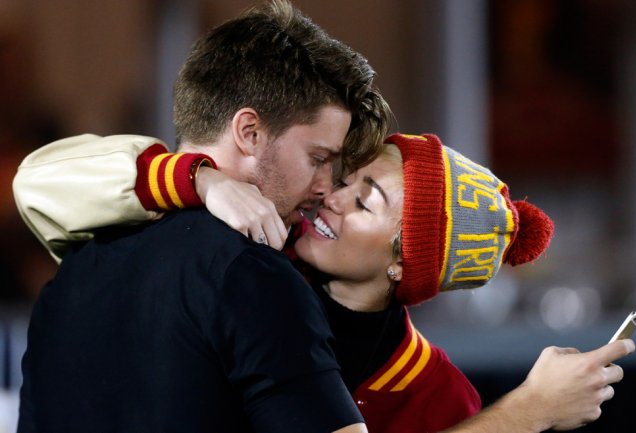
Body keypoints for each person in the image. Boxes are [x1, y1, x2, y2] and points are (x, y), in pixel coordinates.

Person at [15, 130, 635, 433]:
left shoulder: (435, 394)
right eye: (342, 177)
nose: (329, 197)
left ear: (404, 265)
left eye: (364, 202)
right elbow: (38, 182)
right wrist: (202, 179)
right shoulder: (248, 257)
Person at [14, 1, 392, 432]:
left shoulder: (73, 270)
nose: (326, 186)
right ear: (249, 133)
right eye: (318, 158)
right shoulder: (254, 277)